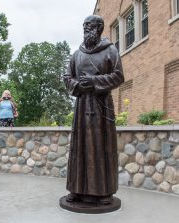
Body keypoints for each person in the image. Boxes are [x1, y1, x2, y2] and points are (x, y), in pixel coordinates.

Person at [63, 15, 124, 205]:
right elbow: (67, 76)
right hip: (82, 107)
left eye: (88, 26)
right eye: (84, 26)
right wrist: (78, 85)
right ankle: (77, 189)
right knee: (79, 148)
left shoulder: (111, 51)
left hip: (101, 108)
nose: (85, 29)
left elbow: (118, 76)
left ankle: (104, 191)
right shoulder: (77, 54)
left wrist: (94, 81)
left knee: (101, 148)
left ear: (99, 28)